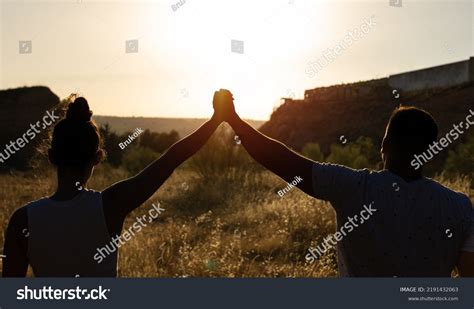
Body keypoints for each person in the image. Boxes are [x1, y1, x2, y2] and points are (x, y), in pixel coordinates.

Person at [213, 89, 474, 277]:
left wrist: (233, 120)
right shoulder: (460, 207)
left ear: (384, 146)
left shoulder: (353, 187)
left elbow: (282, 161)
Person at [2, 94, 226, 277]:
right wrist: (216, 119)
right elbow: (172, 158)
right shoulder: (111, 205)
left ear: (51, 156)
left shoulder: (23, 220)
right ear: (98, 157)